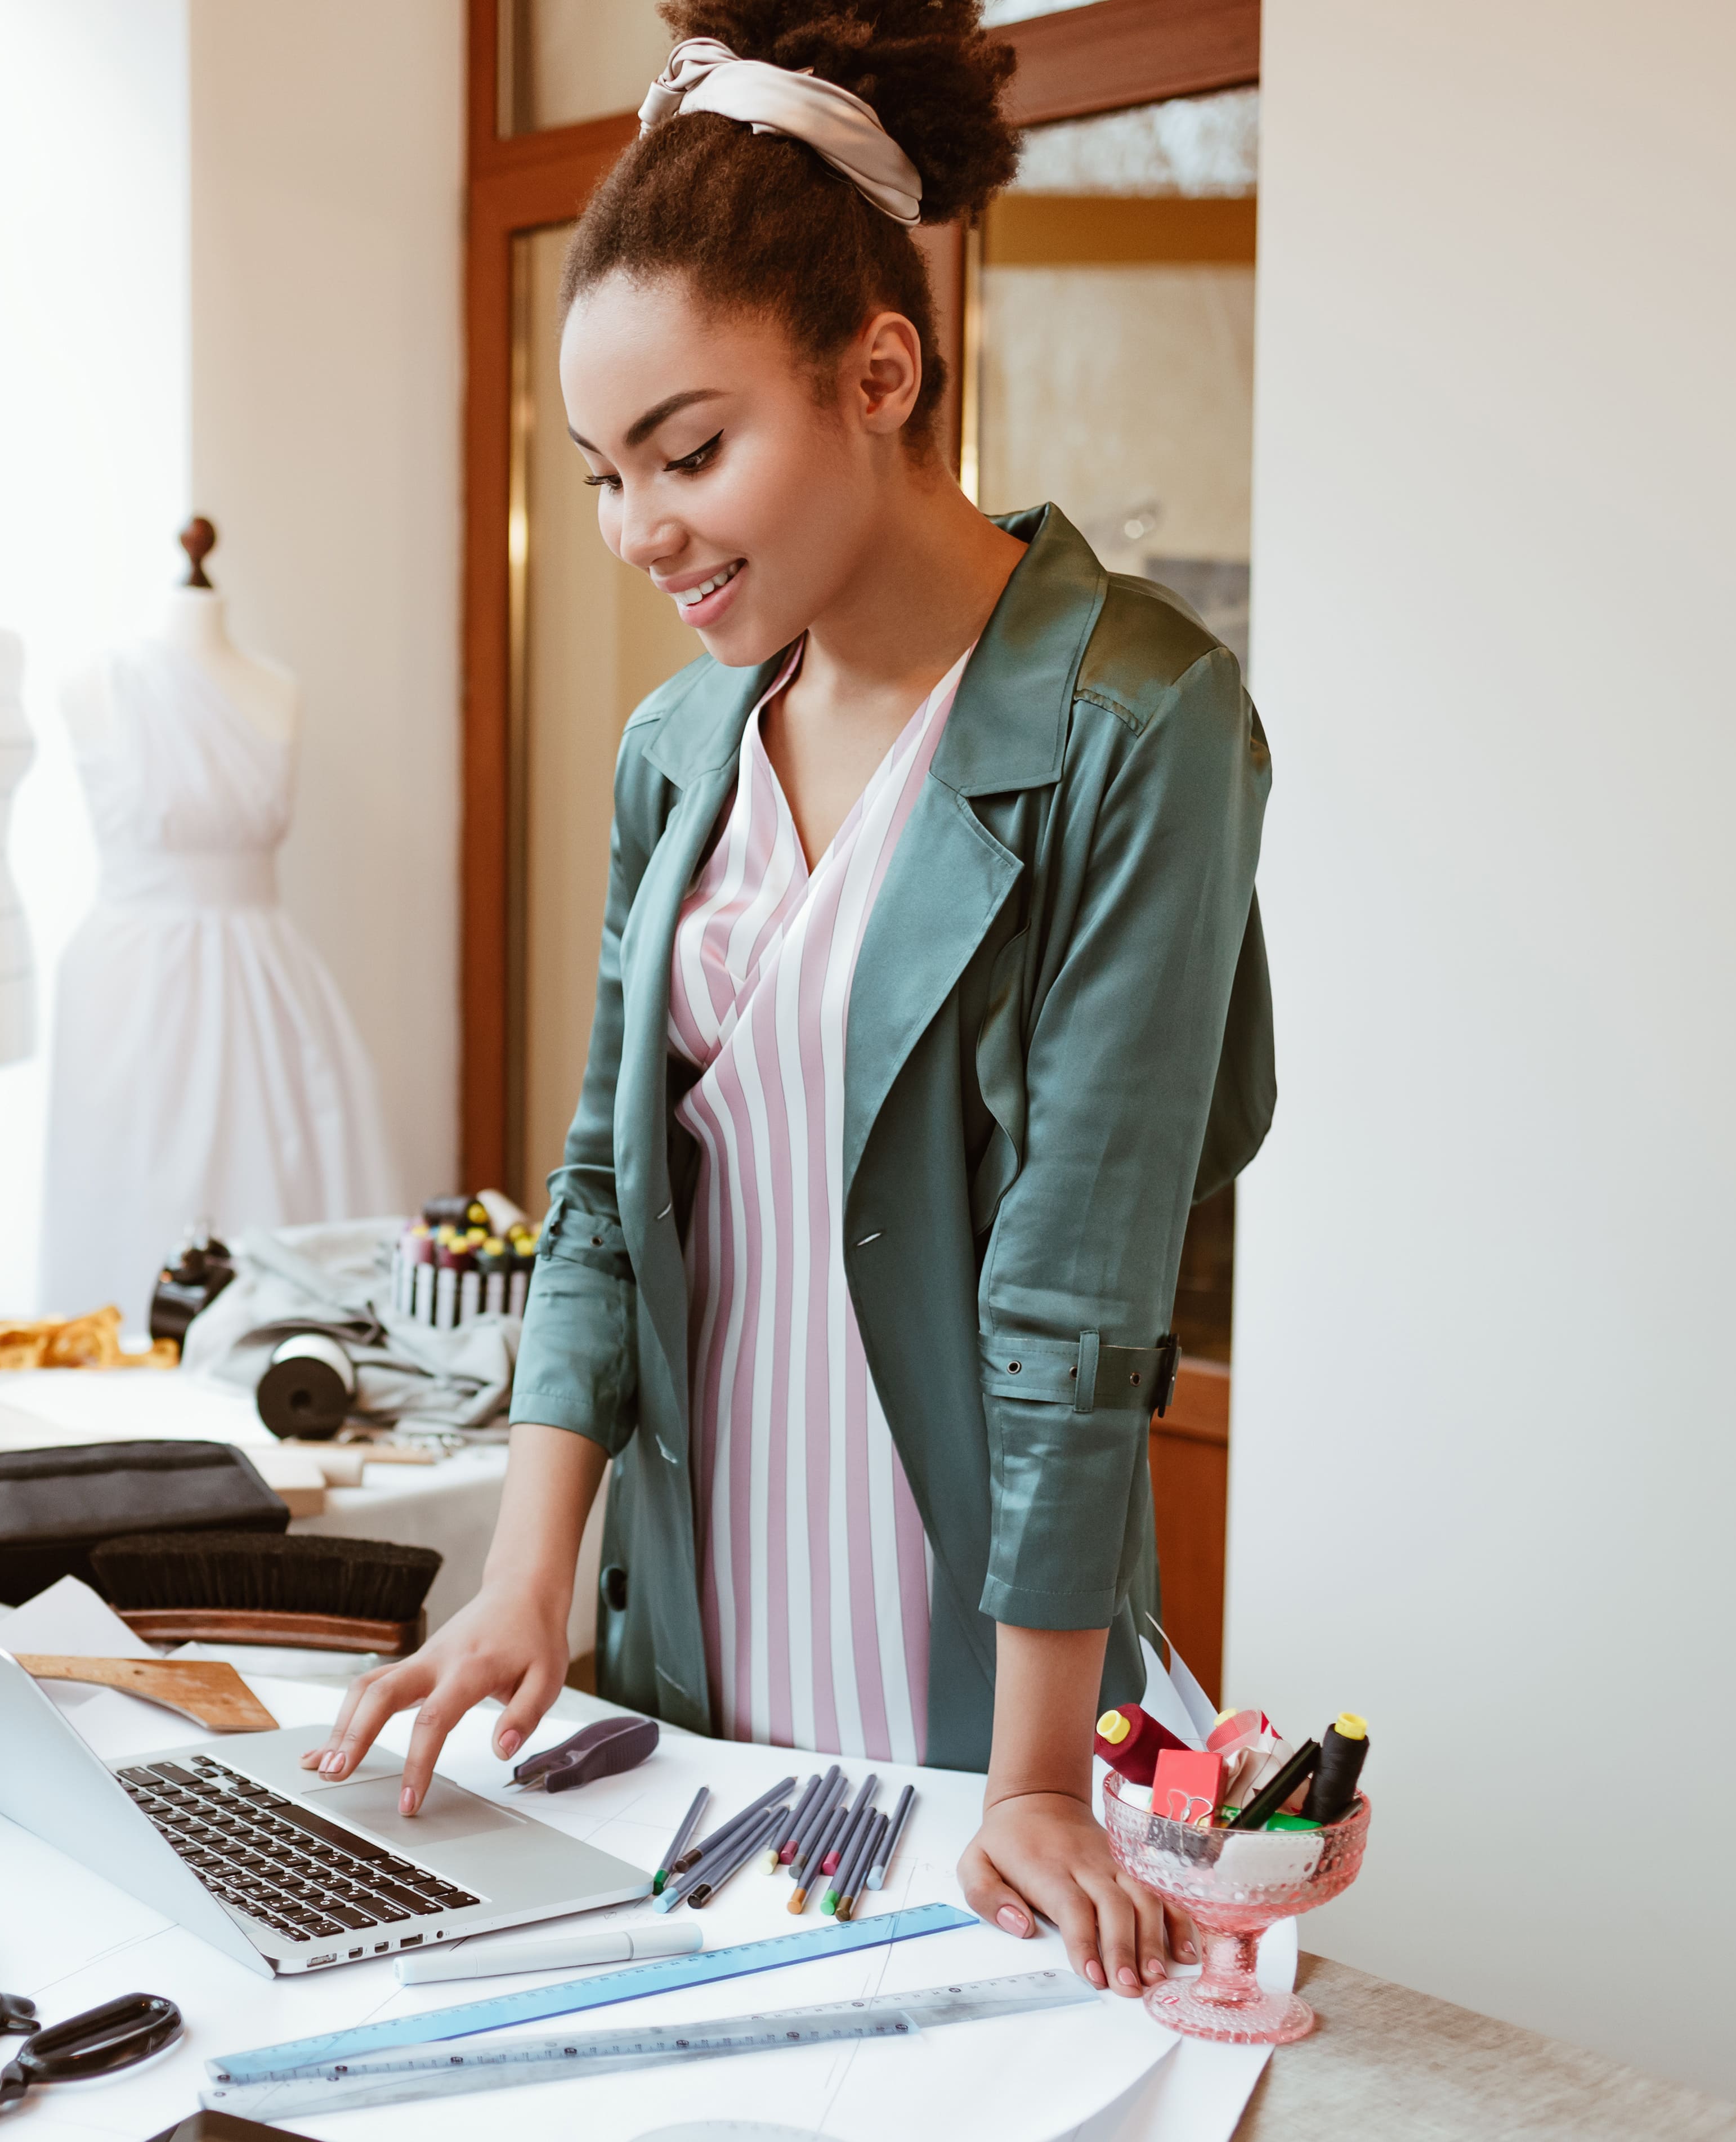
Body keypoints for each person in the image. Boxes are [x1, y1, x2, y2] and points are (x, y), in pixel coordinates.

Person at [305, 0, 1273, 2002]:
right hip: (697, 1639)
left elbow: (1078, 1286)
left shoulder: (1133, 715)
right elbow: (596, 1187)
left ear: (879, 373)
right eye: (597, 471)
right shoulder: (680, 745)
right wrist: (522, 1581)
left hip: (969, 1650)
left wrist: (1029, 1784)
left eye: (689, 452)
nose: (637, 528)